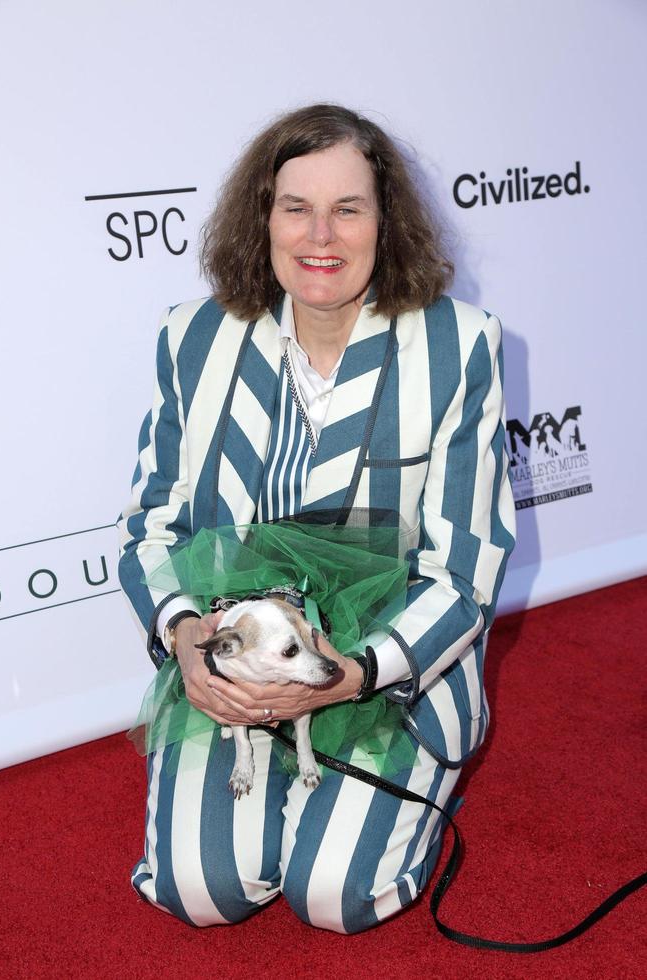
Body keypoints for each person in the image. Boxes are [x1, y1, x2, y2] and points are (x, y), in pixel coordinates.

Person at [117, 103, 516, 934]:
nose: (319, 234)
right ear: (261, 217)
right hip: (232, 665)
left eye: (349, 208)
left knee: (332, 898)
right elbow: (151, 527)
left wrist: (358, 674)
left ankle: (398, 782)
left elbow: (466, 572)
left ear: (387, 220)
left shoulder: (458, 347)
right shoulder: (194, 340)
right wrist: (189, 638)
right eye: (295, 206)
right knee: (200, 893)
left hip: (389, 671)